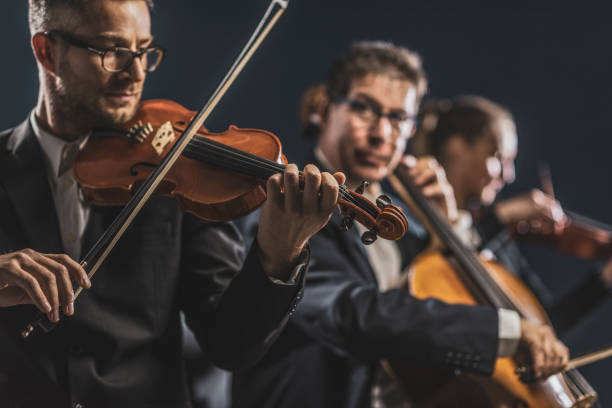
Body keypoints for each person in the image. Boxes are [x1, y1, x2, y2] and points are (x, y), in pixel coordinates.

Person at [0, 1, 345, 407]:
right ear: (47, 51)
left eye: (144, 50)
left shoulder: (177, 171)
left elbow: (230, 346)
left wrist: (279, 253)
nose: (136, 73)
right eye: (113, 52)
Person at [231, 41, 569, 408]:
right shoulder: (289, 204)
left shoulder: (406, 225)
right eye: (365, 109)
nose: (382, 134)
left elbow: (442, 299)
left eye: (398, 118)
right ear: (327, 109)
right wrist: (506, 331)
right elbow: (351, 311)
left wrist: (448, 226)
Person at [411, 95, 612, 333]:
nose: (509, 175)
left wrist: (603, 282)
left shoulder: (497, 237)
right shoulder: (413, 220)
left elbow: (541, 327)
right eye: (498, 158)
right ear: (457, 147)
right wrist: (502, 216)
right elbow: (446, 256)